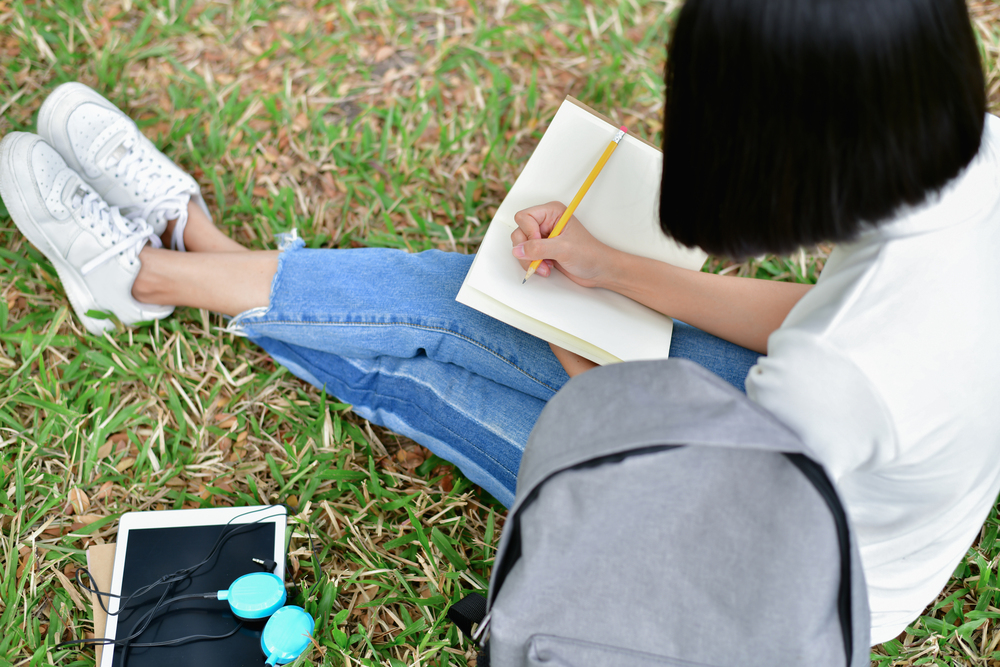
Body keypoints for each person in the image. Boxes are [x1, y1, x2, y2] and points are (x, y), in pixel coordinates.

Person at [1, 0, 997, 645]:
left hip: (763, 571)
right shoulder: (976, 158)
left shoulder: (840, 376)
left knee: (434, 368)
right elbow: (813, 319)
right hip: (817, 464)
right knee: (455, 295)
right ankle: (178, 259)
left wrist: (555, 315)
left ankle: (150, 271)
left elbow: (684, 494)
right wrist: (610, 271)